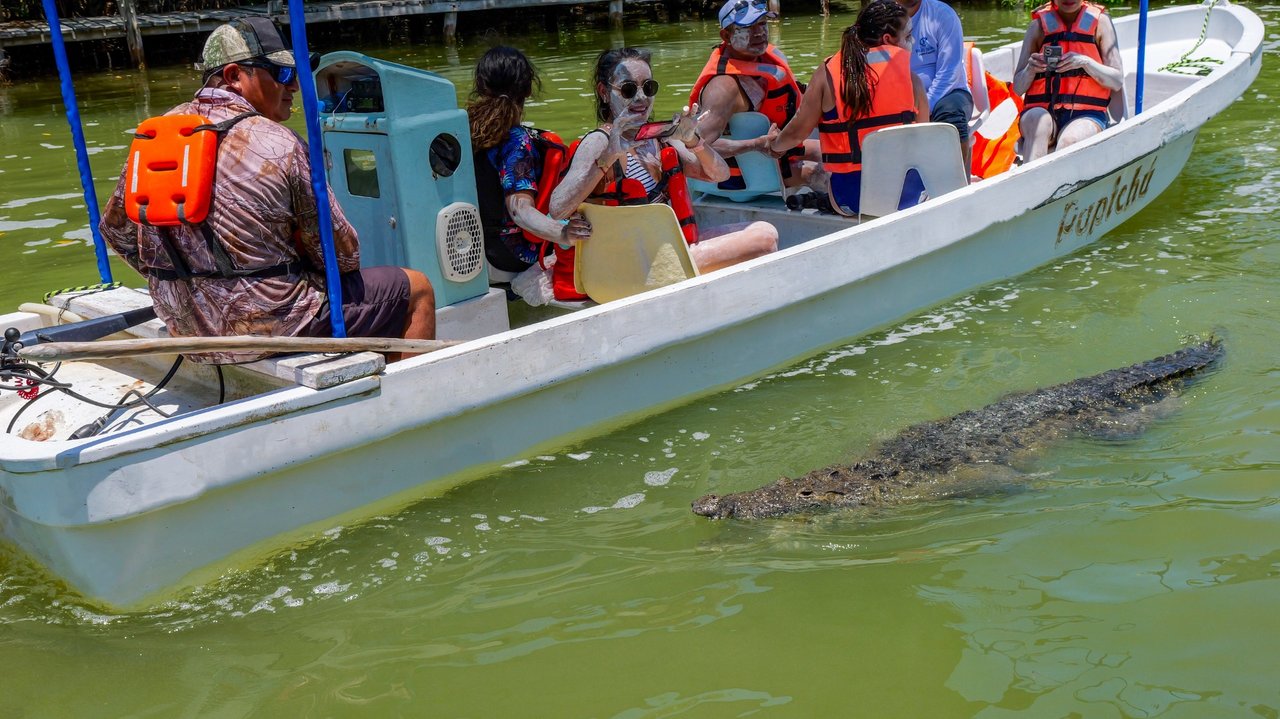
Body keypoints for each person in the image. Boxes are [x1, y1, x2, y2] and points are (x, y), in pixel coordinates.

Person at [99, 18, 435, 364]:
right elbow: (343, 254)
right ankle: (407, 402)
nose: (293, 87)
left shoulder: (154, 136)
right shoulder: (278, 143)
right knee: (415, 288)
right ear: (234, 76)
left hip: (187, 330)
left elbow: (115, 231)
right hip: (270, 325)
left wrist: (189, 288)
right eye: (282, 74)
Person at [550, 47, 777, 275]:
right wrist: (608, 157)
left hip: (662, 253)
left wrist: (693, 140)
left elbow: (719, 175)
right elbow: (558, 208)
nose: (641, 98)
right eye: (628, 90)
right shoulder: (599, 142)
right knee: (764, 239)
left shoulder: (659, 138)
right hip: (630, 266)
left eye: (648, 87)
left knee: (763, 230)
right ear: (604, 93)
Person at [769, 0, 928, 216]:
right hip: (906, 198)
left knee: (827, 159)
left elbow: (798, 130)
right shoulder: (913, 82)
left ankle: (819, 197)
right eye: (908, 36)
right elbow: (925, 142)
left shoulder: (828, 75)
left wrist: (776, 148)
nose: (913, 40)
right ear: (888, 39)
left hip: (851, 200)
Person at [467, 46, 589, 279]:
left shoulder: (467, 130)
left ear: (481, 86)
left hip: (475, 244)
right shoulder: (516, 141)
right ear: (529, 89)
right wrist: (564, 234)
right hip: (510, 254)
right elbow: (520, 211)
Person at [689, 0, 822, 192]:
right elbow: (695, 147)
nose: (759, 32)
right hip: (742, 178)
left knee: (837, 152)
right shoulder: (723, 88)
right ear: (726, 35)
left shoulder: (763, 60)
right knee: (821, 172)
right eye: (748, 27)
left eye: (762, 23)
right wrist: (756, 144)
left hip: (774, 156)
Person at [1012, 0, 1123, 162]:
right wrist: (1030, 69)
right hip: (1043, 111)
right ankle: (1032, 182)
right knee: (1038, 122)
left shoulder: (1101, 23)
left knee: (1069, 141)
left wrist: (1085, 62)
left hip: (1087, 114)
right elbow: (1018, 88)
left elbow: (1116, 81)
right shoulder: (1037, 27)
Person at [893, 0, 973, 174]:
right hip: (898, 94)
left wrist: (923, 107)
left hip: (948, 93)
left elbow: (949, 73)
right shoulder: (880, 16)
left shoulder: (943, 15)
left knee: (950, 115)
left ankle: (953, 183)